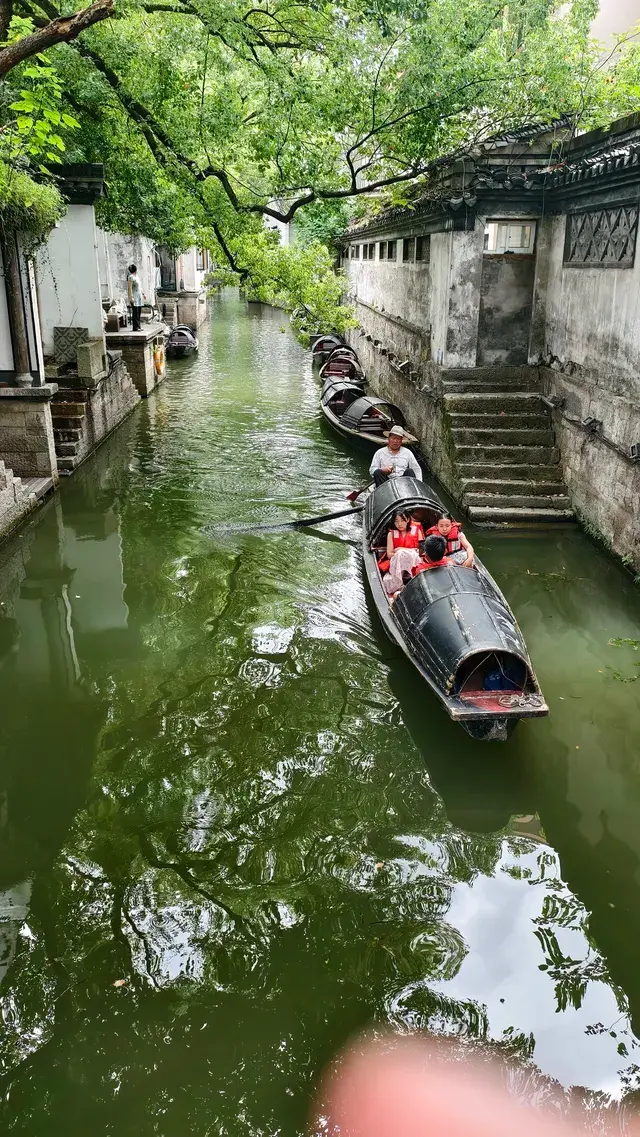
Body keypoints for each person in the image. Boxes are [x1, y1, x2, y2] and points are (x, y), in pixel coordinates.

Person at [382, 513, 425, 597]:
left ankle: (412, 580)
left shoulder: (416, 530)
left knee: (405, 552)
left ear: (408, 520)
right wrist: (400, 552)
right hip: (397, 564)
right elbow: (390, 554)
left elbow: (421, 552)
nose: (400, 524)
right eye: (396, 521)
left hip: (414, 562)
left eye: (402, 520)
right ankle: (399, 583)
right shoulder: (391, 534)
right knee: (400, 554)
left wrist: (401, 549)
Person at [127, 264, 145, 331]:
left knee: (139, 311)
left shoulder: (137, 276)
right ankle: (135, 327)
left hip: (139, 296)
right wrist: (131, 297)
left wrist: (143, 293)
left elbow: (139, 286)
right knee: (135, 312)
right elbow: (130, 288)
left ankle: (139, 326)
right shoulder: (130, 277)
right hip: (134, 296)